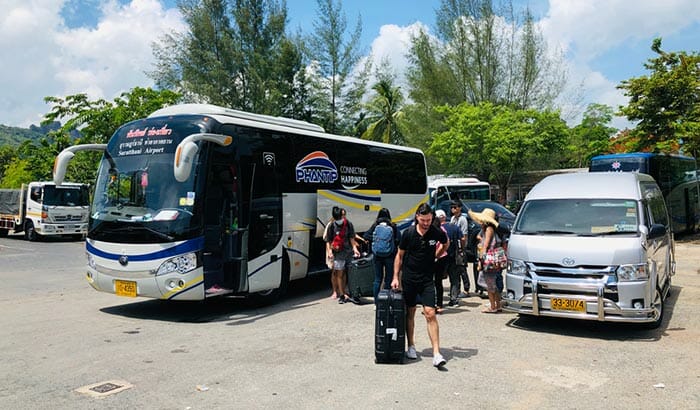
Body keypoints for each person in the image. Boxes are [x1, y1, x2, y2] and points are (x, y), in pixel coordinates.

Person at [391, 203, 448, 368]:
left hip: (426, 280)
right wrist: (395, 277)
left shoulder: (435, 232)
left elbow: (446, 243)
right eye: (423, 220)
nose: (426, 223)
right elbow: (399, 256)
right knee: (410, 312)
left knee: (430, 313)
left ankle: (436, 353)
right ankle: (411, 346)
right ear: (417, 217)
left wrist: (436, 256)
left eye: (429, 220)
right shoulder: (407, 234)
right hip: (409, 279)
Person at [469, 207, 503, 313]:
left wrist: (481, 259)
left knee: (489, 285)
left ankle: (493, 306)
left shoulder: (489, 229)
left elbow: (486, 245)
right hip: (494, 261)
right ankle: (498, 305)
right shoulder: (492, 229)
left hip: (489, 261)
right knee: (494, 284)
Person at [363, 208, 401, 303]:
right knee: (388, 278)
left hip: (377, 256)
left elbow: (366, 236)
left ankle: (377, 302)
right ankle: (386, 300)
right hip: (390, 256)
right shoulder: (392, 226)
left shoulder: (375, 226)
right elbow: (399, 239)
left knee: (377, 279)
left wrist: (376, 239)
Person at [324, 206, 360, 303]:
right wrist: (330, 252)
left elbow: (352, 238)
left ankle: (351, 293)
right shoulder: (331, 226)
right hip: (338, 253)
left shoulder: (348, 224)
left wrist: (355, 249)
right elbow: (328, 241)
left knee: (350, 273)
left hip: (348, 252)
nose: (340, 219)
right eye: (339, 217)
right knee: (339, 273)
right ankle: (342, 294)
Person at [436, 209, 463, 308]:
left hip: (441, 258)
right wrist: (462, 249)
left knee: (437, 280)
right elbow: (462, 239)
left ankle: (437, 300)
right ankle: (454, 299)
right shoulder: (454, 227)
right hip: (453, 256)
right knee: (454, 279)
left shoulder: (436, 229)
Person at [449, 200, 471, 297]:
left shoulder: (463, 219)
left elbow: (464, 235)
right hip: (454, 247)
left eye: (455, 207)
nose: (453, 209)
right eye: (452, 207)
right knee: (455, 269)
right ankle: (456, 289)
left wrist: (463, 248)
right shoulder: (453, 218)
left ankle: (466, 289)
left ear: (459, 208)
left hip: (461, 247)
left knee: (462, 269)